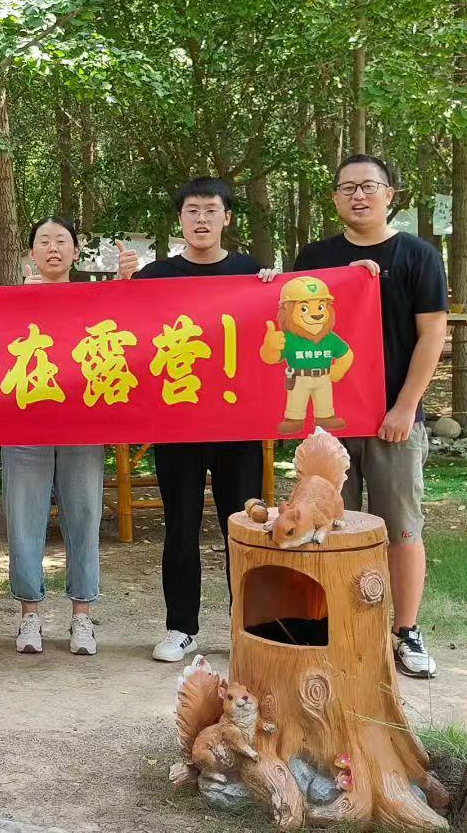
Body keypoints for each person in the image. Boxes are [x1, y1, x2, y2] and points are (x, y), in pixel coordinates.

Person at [285, 155, 447, 679]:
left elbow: (432, 335)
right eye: (347, 187)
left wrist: (404, 406)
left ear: (390, 194)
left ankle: (406, 631)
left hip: (392, 421)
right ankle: (333, 629)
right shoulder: (316, 257)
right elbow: (288, 324)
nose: (359, 195)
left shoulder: (418, 255)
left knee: (400, 526)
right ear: (334, 198)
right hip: (326, 422)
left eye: (369, 186)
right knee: (325, 527)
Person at [118, 177, 263, 663]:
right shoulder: (156, 275)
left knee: (241, 527)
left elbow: (289, 322)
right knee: (179, 527)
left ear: (228, 218)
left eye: (211, 210)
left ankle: (250, 628)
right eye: (192, 211)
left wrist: (274, 289)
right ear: (180, 219)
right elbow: (123, 334)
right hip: (176, 425)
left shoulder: (251, 273)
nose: (201, 219)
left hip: (236, 426)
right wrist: (122, 288)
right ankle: (181, 627)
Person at [2, 218, 103, 656]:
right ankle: (30, 616)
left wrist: (127, 287)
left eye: (62, 241)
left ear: (76, 253)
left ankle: (82, 619)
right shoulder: (9, 303)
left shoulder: (97, 300)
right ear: (30, 254)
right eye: (44, 241)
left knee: (84, 517)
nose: (53, 248)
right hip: (25, 425)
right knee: (25, 521)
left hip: (83, 425)